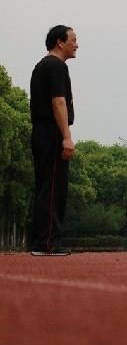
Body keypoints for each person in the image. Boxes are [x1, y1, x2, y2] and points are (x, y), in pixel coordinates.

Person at [29, 25, 78, 256]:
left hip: (40, 131)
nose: (76, 44)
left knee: (44, 186)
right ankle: (48, 243)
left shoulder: (40, 66)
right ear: (60, 42)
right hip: (52, 131)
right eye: (73, 40)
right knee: (54, 188)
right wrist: (66, 136)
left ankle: (41, 240)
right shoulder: (57, 66)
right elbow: (58, 101)